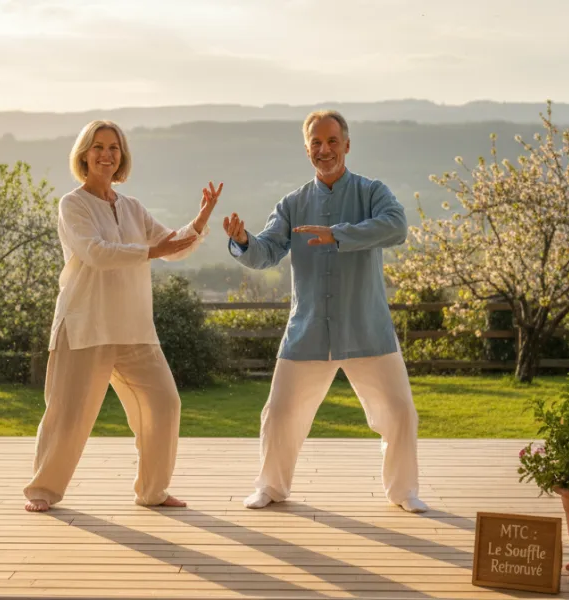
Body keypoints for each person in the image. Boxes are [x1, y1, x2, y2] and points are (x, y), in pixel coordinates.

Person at [223, 110, 427, 513]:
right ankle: (271, 487)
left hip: (366, 327)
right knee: (279, 413)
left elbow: (397, 227)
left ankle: (403, 492)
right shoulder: (292, 204)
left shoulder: (372, 192)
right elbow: (265, 253)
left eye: (332, 141)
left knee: (400, 411)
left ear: (347, 145)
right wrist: (243, 240)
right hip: (308, 330)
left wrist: (339, 235)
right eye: (316, 143)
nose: (324, 149)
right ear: (307, 150)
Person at [23, 120, 221, 512]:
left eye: (113, 148)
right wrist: (150, 251)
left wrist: (199, 221)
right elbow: (96, 252)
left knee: (164, 404)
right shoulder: (73, 204)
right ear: (84, 154)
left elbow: (172, 247)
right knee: (68, 415)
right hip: (85, 326)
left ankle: (153, 492)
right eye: (97, 147)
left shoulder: (132, 208)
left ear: (122, 156)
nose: (106, 154)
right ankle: (43, 492)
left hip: (134, 329)